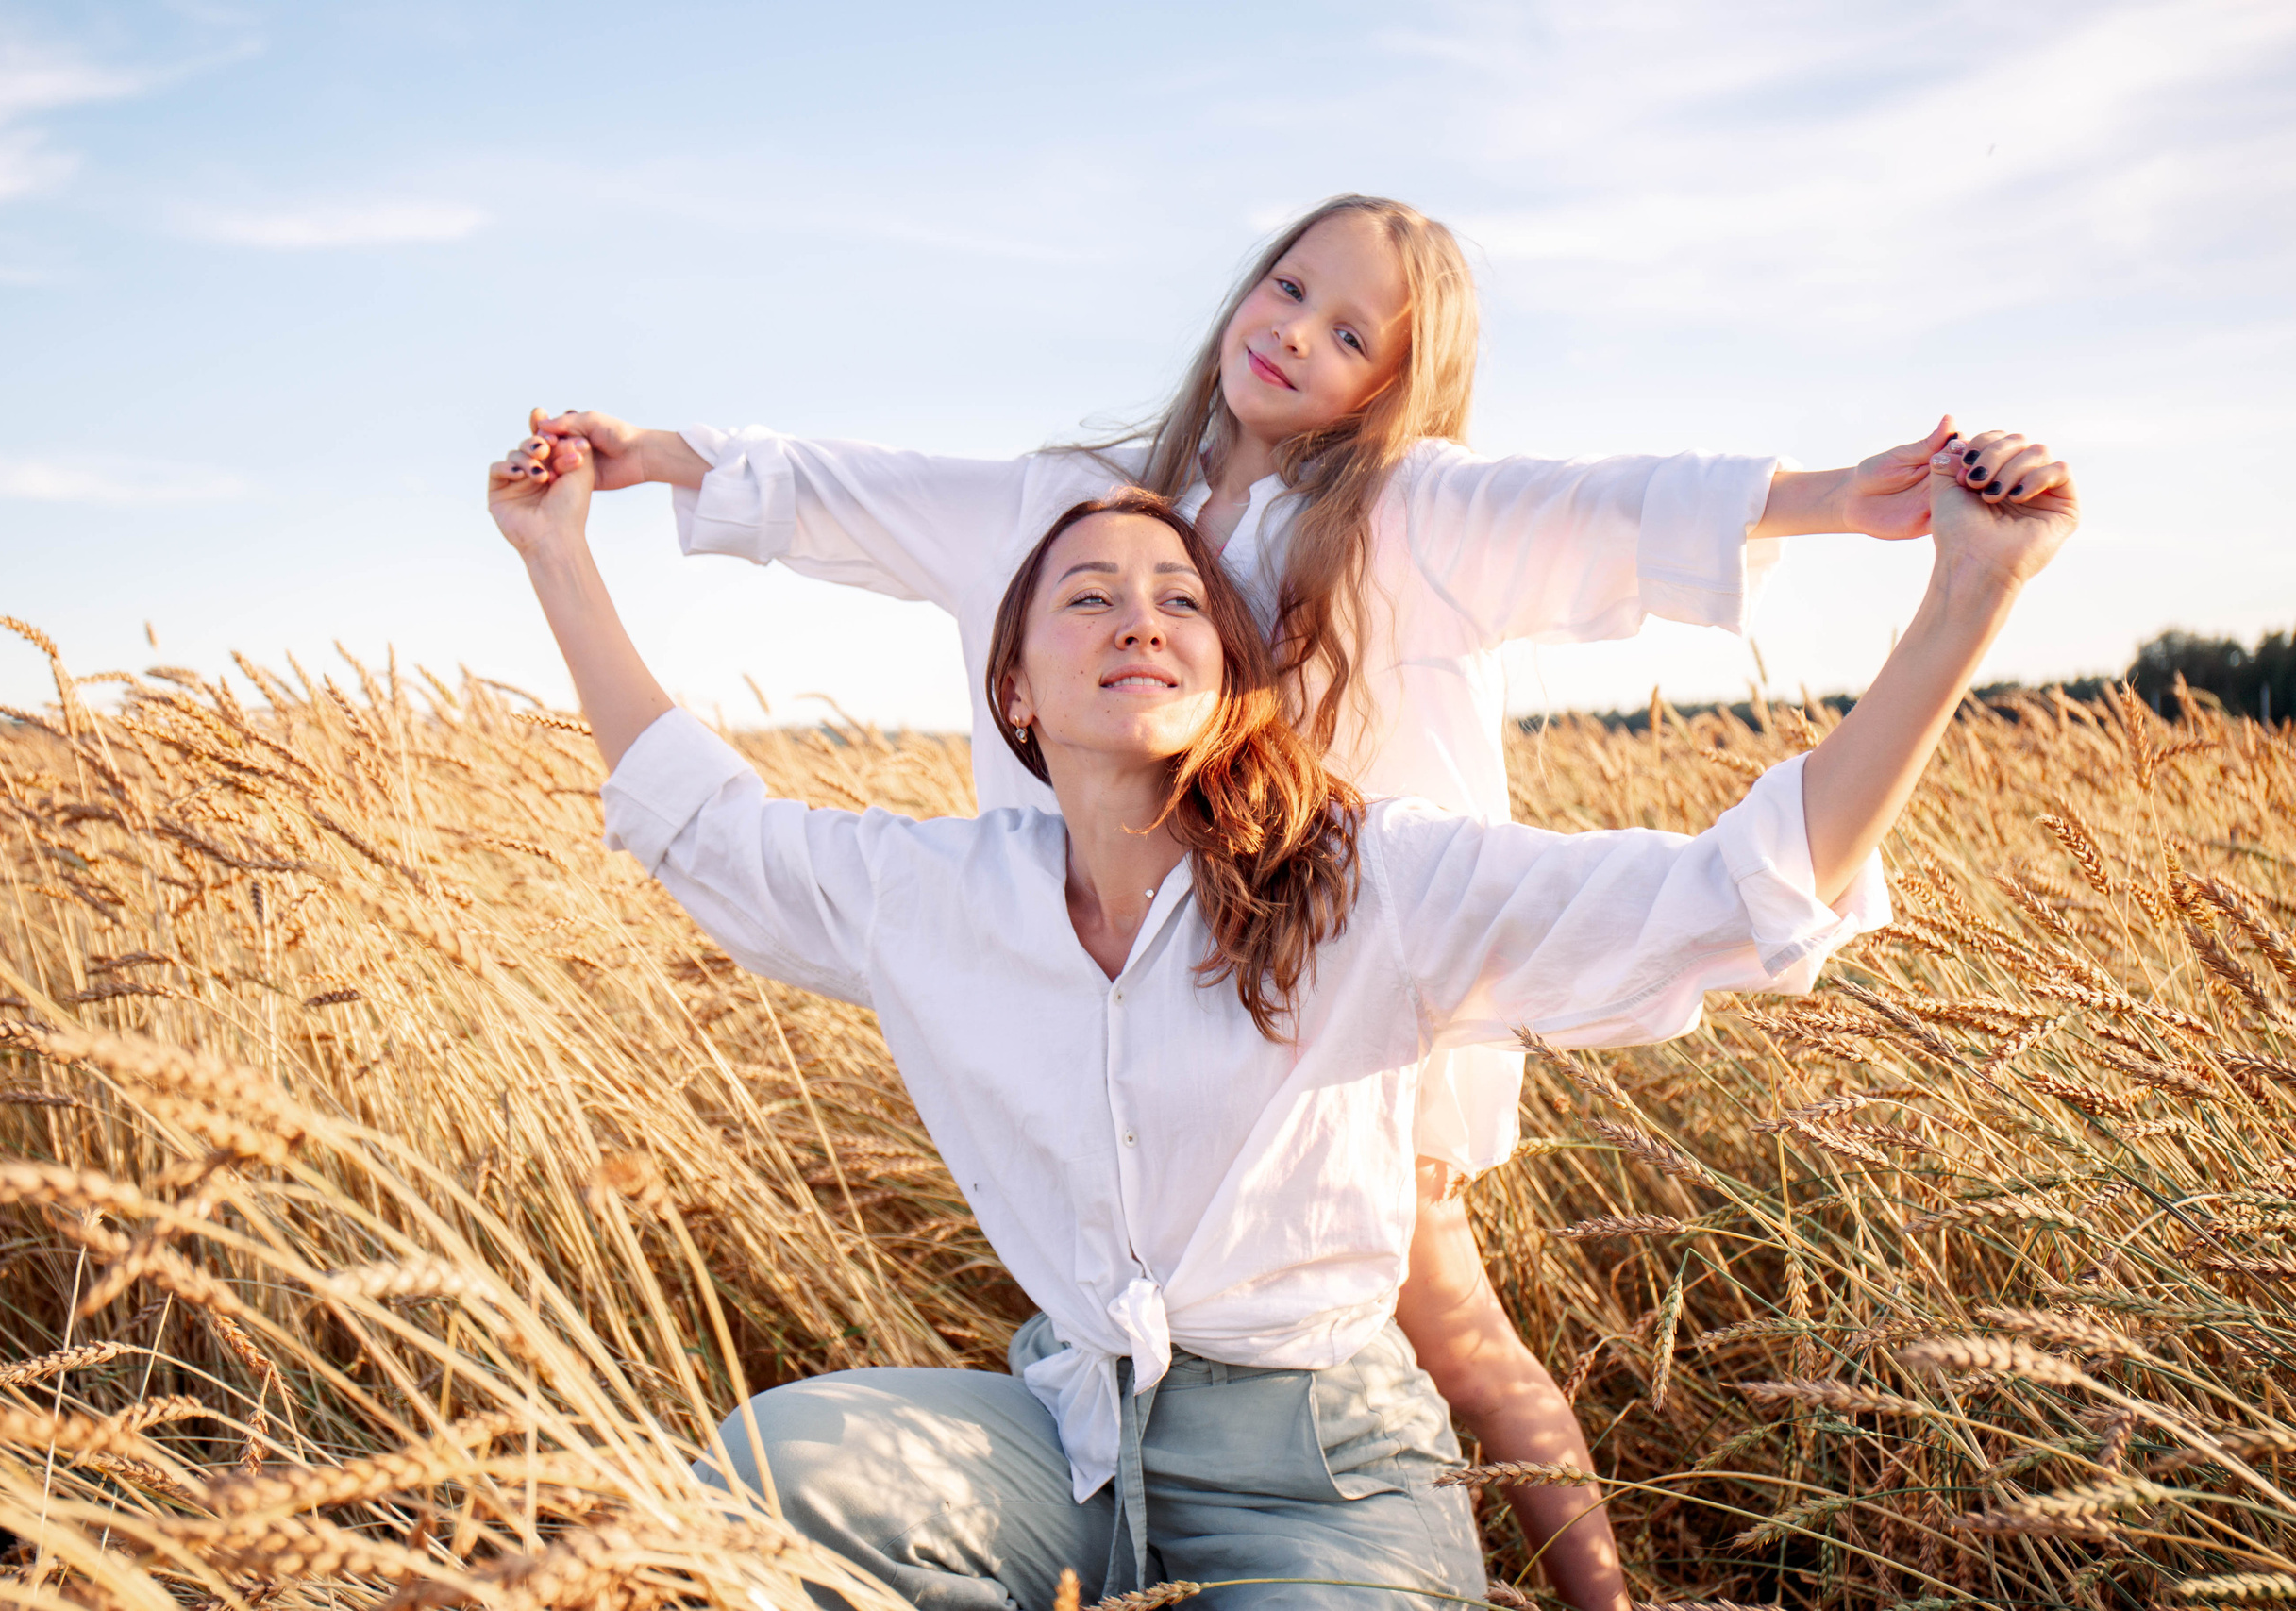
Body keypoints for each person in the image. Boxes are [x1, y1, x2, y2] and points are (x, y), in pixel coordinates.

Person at [514, 193, 2041, 1607]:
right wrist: (634, 484)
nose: (1299, 332)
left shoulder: (1399, 537)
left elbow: (1617, 570)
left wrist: (1877, 523)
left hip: (1341, 1002)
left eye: (1350, 332)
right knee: (782, 1477)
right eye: (1287, 287)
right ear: (1015, 683)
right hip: (1101, 1308)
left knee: (1464, 1340)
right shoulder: (1044, 610)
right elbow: (819, 607)